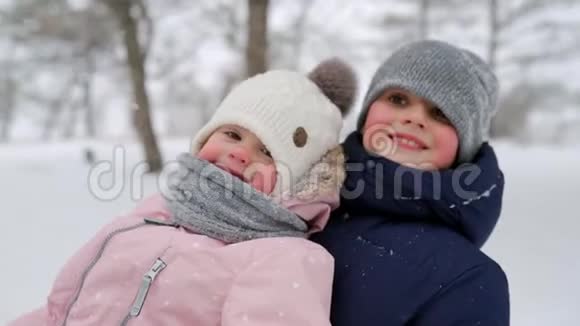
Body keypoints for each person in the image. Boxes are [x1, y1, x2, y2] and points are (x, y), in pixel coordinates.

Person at [7, 58, 356, 326]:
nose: (239, 153)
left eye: (267, 152)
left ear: (295, 180)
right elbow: (61, 310)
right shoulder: (156, 211)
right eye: (232, 135)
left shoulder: (284, 257)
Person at [311, 40, 510, 325]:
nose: (414, 118)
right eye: (398, 99)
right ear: (367, 114)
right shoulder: (296, 202)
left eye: (441, 112)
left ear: (464, 146)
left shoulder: (467, 279)